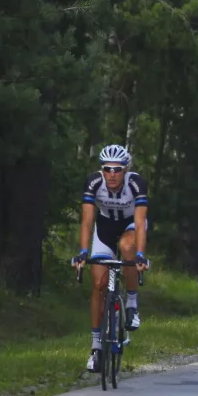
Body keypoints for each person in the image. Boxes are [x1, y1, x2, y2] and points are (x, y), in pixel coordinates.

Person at [72, 145, 150, 374]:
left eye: (118, 169)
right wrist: (83, 252)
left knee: (127, 247)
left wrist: (140, 254)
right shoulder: (93, 183)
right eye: (107, 169)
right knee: (98, 284)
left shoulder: (136, 184)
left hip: (130, 226)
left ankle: (132, 305)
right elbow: (87, 221)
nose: (112, 174)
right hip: (104, 228)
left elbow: (141, 221)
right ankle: (96, 346)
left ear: (126, 170)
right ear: (102, 170)